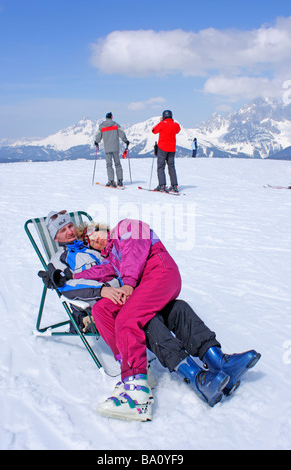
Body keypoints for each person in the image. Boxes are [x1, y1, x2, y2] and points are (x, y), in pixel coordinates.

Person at [39, 211, 261, 421]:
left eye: (90, 233)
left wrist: (127, 284)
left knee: (128, 319)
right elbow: (99, 272)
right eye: (64, 231)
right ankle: (217, 365)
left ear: (103, 228)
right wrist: (66, 277)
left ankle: (138, 393)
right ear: (55, 237)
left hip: (151, 277)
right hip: (132, 290)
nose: (91, 240)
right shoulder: (83, 257)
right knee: (176, 310)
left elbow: (133, 255)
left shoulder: (124, 228)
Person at [94, 112, 129, 187]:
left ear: (106, 118)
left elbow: (98, 136)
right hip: (115, 147)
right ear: (111, 117)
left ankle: (111, 181)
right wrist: (126, 141)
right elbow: (122, 134)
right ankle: (120, 181)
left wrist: (96, 142)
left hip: (107, 148)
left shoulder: (102, 126)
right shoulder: (116, 125)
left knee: (109, 165)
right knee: (117, 164)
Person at [152, 110, 181, 193]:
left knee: (161, 167)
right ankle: (174, 186)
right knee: (171, 167)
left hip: (162, 148)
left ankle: (162, 185)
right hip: (172, 149)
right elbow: (178, 130)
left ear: (163, 116)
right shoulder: (175, 125)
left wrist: (161, 122)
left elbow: (154, 131)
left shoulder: (162, 124)